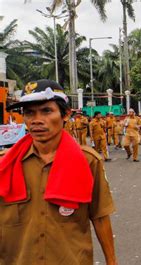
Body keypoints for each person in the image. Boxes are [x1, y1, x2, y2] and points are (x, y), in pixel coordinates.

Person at [0, 79, 117, 264]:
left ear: (65, 115)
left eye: (46, 111)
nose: (37, 120)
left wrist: (112, 261)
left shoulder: (87, 161)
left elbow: (100, 216)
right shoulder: (5, 166)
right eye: (29, 113)